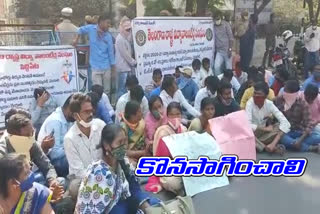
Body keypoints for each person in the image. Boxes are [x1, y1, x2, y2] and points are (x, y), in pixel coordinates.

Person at [74, 124, 159, 214]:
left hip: (122, 205)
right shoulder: (98, 173)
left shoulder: (123, 163)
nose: (124, 146)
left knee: (155, 204)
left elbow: (134, 189)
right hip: (110, 211)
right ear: (107, 145)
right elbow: (93, 209)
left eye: (125, 142)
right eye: (119, 143)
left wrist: (146, 206)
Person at [0, 111, 62, 188]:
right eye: (27, 135)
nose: (31, 137)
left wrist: (52, 181)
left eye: (32, 132)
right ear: (15, 136)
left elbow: (47, 166)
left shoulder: (30, 141)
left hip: (30, 181)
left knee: (61, 182)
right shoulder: (2, 151)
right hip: (11, 190)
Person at [146, 102, 187, 195]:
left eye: (177, 114)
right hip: (168, 166)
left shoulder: (183, 129)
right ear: (167, 116)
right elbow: (162, 159)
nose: (175, 117)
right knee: (173, 183)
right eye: (172, 115)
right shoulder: (162, 132)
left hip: (183, 163)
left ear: (181, 115)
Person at [64, 93, 106, 180]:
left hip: (105, 175)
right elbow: (79, 172)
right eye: (86, 112)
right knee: (75, 186)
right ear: (76, 116)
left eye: (91, 111)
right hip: (84, 181)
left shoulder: (100, 125)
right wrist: (99, 179)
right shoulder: (69, 138)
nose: (91, 114)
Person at [73, 14, 116, 96]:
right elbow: (80, 30)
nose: (109, 25)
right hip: (95, 67)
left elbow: (111, 53)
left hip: (106, 67)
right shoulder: (91, 28)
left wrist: (113, 69)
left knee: (107, 91)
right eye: (107, 23)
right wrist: (76, 40)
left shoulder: (108, 36)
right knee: (97, 91)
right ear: (101, 22)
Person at [275, 80, 320, 153]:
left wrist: (300, 140)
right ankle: (312, 148)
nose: (284, 93)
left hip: (299, 131)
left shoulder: (302, 103)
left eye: (286, 91)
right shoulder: (280, 100)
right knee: (282, 138)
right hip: (285, 132)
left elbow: (308, 125)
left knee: (317, 137)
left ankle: (295, 144)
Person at [246, 82, 290, 154]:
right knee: (245, 133)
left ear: (265, 96)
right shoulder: (250, 103)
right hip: (253, 133)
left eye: (259, 95)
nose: (255, 96)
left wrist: (274, 142)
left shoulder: (269, 104)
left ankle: (268, 145)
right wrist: (264, 129)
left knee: (279, 126)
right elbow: (247, 125)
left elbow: (286, 123)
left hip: (263, 135)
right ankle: (266, 147)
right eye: (255, 93)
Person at [37, 95, 75, 177]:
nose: (77, 116)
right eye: (76, 112)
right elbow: (55, 154)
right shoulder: (55, 121)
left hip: (63, 155)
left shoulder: (69, 118)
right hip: (49, 160)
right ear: (69, 108)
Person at [116, 17, 137, 98]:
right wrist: (134, 62)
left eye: (129, 30)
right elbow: (126, 55)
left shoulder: (125, 38)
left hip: (127, 68)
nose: (129, 31)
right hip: (122, 68)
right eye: (127, 30)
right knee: (122, 90)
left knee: (126, 89)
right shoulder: (120, 39)